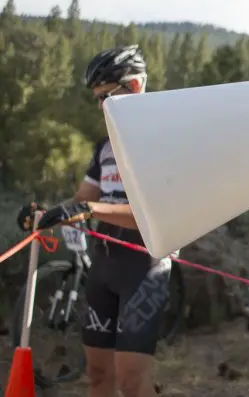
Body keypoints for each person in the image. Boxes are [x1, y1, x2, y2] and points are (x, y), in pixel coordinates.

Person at [16, 45, 171, 397]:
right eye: (97, 99)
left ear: (133, 88)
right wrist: (45, 214)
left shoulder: (162, 142)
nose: (100, 106)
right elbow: (82, 201)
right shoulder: (105, 147)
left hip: (145, 267)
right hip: (104, 266)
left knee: (132, 380)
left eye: (106, 97)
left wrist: (90, 211)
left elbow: (152, 218)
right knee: (98, 375)